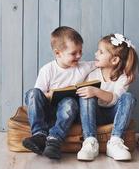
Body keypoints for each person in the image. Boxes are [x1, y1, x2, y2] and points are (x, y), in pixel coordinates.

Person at [22, 26, 95, 159]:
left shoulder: (83, 67)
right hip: (47, 113)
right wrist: (48, 95)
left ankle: (55, 139)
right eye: (73, 53)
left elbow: (101, 63)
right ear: (58, 53)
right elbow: (38, 97)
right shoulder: (47, 70)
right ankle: (39, 135)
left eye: (80, 51)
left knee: (70, 102)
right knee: (33, 93)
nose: (79, 56)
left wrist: (123, 68)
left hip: (67, 114)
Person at [76, 33, 139, 161]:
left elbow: (116, 99)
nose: (95, 54)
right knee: (85, 94)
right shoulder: (92, 74)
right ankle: (90, 141)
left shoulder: (123, 78)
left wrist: (96, 91)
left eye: (101, 52)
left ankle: (115, 142)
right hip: (94, 114)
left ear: (114, 60)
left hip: (113, 114)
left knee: (128, 97)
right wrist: (90, 92)